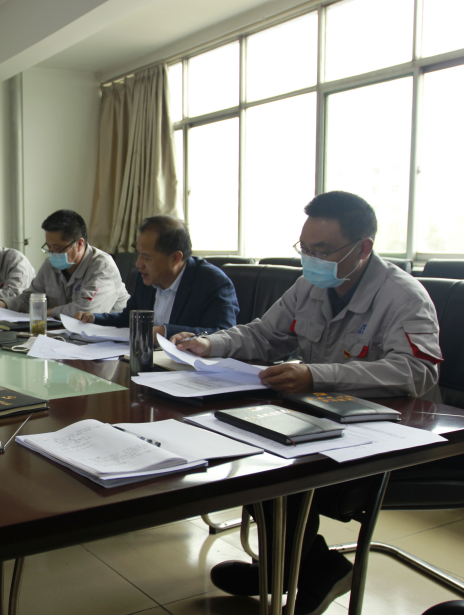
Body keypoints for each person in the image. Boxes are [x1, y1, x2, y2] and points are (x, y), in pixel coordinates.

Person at [170, 191, 443, 615]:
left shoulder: (403, 296)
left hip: (391, 429)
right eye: (305, 248)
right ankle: (299, 565)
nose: (311, 260)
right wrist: (211, 343)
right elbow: (264, 334)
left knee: (281, 466)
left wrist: (317, 374)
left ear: (363, 248)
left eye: (323, 251)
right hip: (324, 414)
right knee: (250, 443)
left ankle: (306, 568)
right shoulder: (311, 284)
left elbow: (417, 372)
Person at [74, 215, 238, 336]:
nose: (138, 263)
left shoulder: (212, 282)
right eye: (138, 254)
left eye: (146, 257)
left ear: (175, 258)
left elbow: (223, 334)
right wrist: (95, 318)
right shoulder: (145, 278)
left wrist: (165, 332)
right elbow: (128, 320)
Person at [0, 210, 130, 318]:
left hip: (105, 338)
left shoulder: (103, 267)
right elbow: (31, 298)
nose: (53, 253)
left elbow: (86, 311)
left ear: (80, 244)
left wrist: (49, 312)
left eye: (58, 248)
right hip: (64, 333)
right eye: (49, 247)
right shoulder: (49, 265)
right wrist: (5, 303)